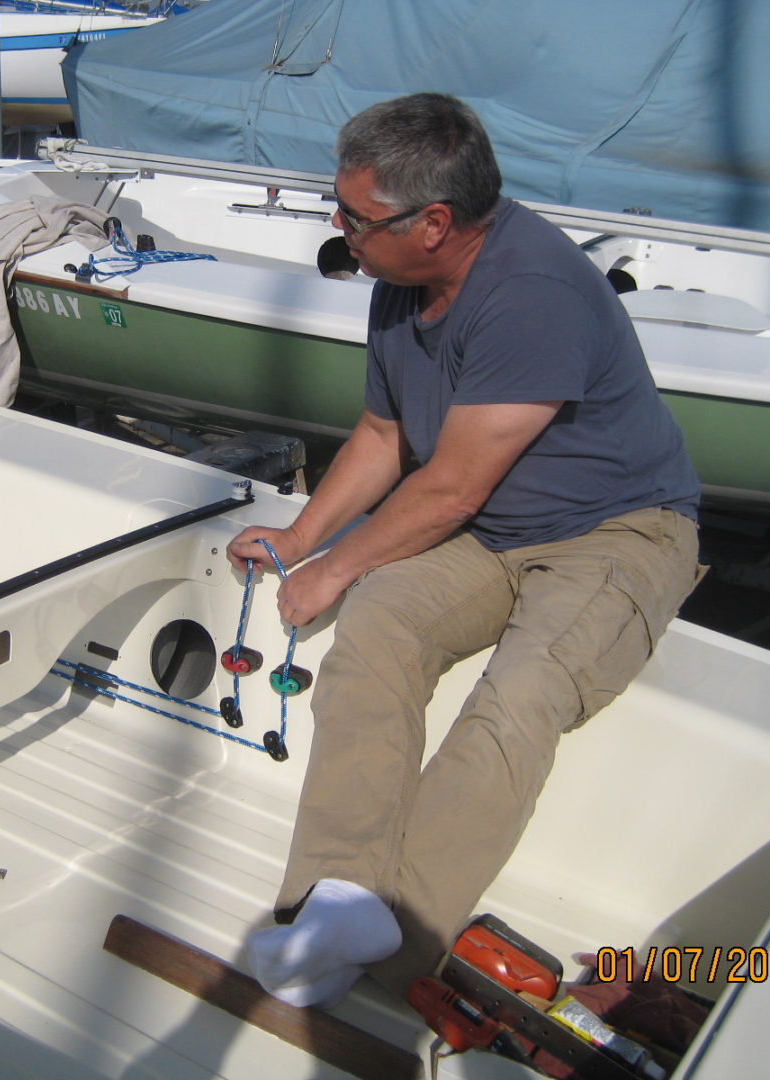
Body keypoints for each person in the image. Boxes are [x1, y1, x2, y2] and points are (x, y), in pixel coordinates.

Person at [226, 93, 704, 1010]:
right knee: (376, 627)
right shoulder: (400, 284)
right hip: (493, 534)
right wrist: (299, 541)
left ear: (433, 223)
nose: (339, 230)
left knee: (517, 701)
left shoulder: (535, 294)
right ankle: (338, 895)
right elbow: (381, 432)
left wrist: (333, 566)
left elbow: (450, 486)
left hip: (617, 534)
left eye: (355, 218)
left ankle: (390, 945)